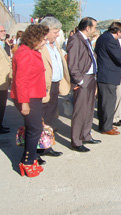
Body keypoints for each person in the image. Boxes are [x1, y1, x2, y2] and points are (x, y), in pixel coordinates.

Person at [10, 24, 49, 177]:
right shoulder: (25, 53)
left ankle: (30, 158)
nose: (44, 42)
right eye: (43, 39)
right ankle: (26, 162)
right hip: (28, 97)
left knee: (34, 128)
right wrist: (24, 103)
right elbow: (21, 81)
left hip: (34, 95)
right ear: (34, 39)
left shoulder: (31, 51)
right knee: (34, 130)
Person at [95, 22, 121, 135]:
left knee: (104, 103)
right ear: (117, 31)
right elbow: (119, 59)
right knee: (109, 103)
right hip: (109, 76)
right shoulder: (111, 40)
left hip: (104, 74)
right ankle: (106, 128)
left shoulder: (102, 37)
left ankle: (105, 125)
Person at [67, 17, 101, 152]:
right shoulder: (75, 39)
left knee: (89, 109)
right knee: (80, 111)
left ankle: (86, 135)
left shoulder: (86, 39)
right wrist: (79, 80)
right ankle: (76, 141)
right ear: (87, 28)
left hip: (91, 78)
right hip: (83, 79)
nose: (95, 30)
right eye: (94, 27)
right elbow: (72, 63)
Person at [38, 16, 71, 158]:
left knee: (50, 117)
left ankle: (47, 146)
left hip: (55, 85)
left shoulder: (54, 44)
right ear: (46, 30)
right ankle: (37, 150)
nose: (58, 34)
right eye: (56, 31)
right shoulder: (39, 45)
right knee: (41, 119)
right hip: (44, 87)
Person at [0, 25, 11, 134]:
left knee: (2, 104)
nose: (4, 32)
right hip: (0, 80)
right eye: (1, 31)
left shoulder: (2, 44)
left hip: (3, 80)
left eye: (4, 30)